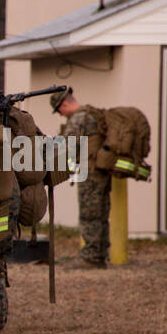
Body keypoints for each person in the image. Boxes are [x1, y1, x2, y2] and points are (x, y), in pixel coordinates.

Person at [52, 87, 109, 269]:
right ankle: (100, 255)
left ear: (65, 104)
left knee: (89, 215)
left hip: (89, 172)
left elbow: (68, 146)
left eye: (59, 110)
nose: (61, 115)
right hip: (101, 171)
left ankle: (90, 258)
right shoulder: (92, 114)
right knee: (101, 214)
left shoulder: (78, 119)